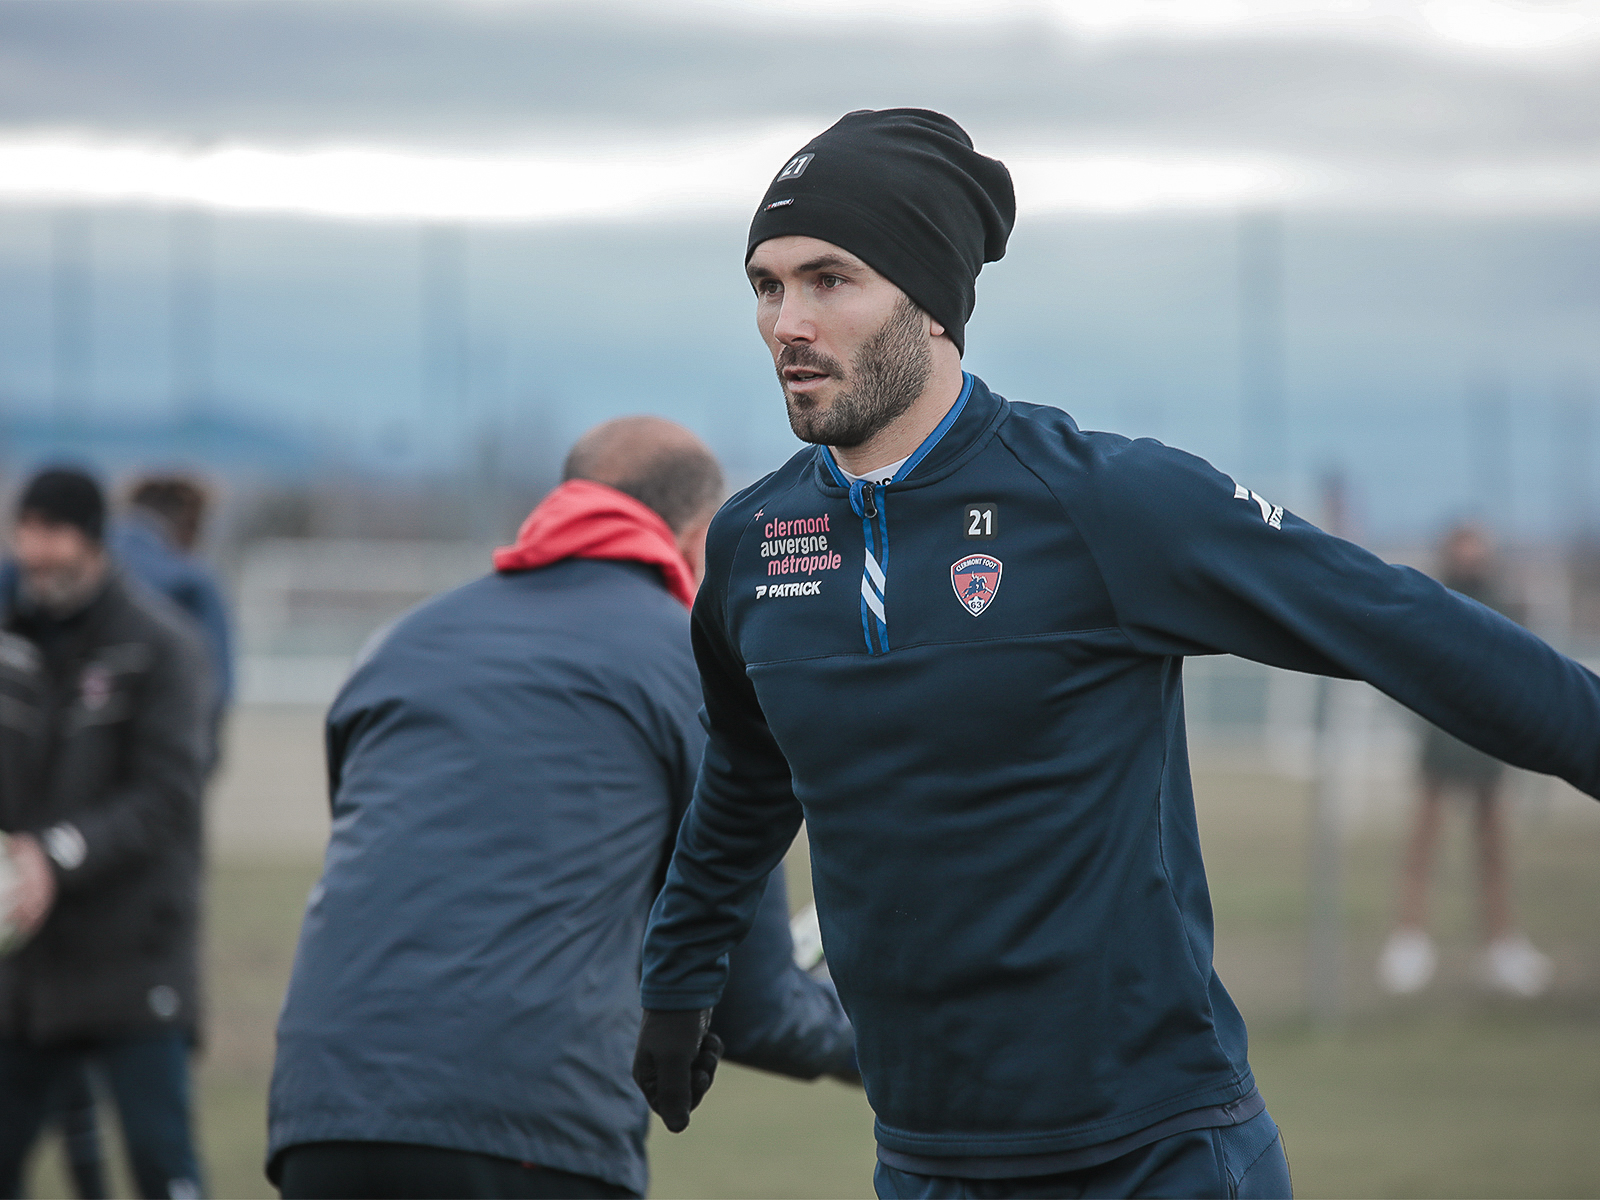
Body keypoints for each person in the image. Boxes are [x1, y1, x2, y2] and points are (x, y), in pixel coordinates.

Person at [629, 109, 1600, 1200]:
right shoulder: (756, 547)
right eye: (766, 286)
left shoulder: (1102, 501)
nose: (787, 322)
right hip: (922, 1163)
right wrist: (677, 982)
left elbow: (1395, 621)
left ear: (931, 305)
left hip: (1154, 1157)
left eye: (828, 279)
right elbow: (747, 780)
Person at [267, 417, 856, 1200]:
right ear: (694, 538)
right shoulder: (692, 666)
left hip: (321, 1113)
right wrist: (904, 1043)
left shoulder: (400, 645)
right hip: (528, 1128)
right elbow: (758, 1006)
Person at [0, 467, 210, 1200]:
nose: (32, 551)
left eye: (49, 533)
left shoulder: (163, 645)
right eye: (23, 531)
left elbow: (169, 794)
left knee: (162, 1164)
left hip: (134, 957)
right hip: (29, 962)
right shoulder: (10, 639)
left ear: (91, 540)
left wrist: (55, 855)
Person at [1378, 522, 1553, 997]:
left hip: (1486, 746)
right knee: (1423, 846)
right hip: (1440, 747)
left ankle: (1502, 945)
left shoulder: (1499, 604)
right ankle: (1409, 941)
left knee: (1493, 850)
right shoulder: (1430, 600)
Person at [111, 475, 234, 771]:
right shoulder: (191, 582)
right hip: (161, 760)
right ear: (189, 525)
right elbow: (217, 684)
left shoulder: (74, 569)